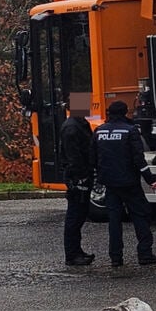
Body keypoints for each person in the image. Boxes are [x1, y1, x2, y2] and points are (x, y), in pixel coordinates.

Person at [91, 100, 156, 266]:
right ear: (125, 113)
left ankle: (116, 258)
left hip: (110, 184)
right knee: (141, 215)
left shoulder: (99, 131)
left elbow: (93, 158)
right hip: (129, 183)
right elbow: (138, 159)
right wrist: (151, 181)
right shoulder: (130, 131)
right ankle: (145, 254)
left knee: (114, 221)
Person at [60, 110, 95, 265]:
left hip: (80, 173)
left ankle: (76, 251)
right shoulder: (72, 128)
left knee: (79, 215)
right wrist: (81, 176)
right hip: (77, 175)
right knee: (74, 216)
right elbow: (73, 154)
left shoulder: (79, 124)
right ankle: (72, 255)